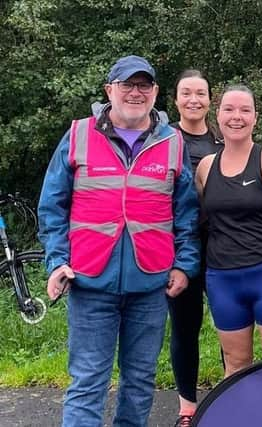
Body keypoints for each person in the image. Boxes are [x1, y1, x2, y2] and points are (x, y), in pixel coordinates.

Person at [38, 55, 200, 427]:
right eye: (127, 84)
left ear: (156, 92)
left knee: (140, 381)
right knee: (88, 382)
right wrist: (56, 260)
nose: (135, 92)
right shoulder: (79, 134)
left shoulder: (173, 142)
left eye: (144, 85)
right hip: (89, 279)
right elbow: (52, 206)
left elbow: (187, 214)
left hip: (151, 283)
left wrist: (184, 265)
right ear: (110, 90)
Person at [195, 85, 262, 377]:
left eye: (245, 110)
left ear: (255, 117)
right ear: (218, 115)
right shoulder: (206, 167)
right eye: (229, 109)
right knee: (236, 364)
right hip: (222, 278)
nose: (236, 117)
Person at [168, 69, 223, 427]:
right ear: (175, 100)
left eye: (200, 93)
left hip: (222, 248)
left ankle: (230, 395)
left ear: (209, 99)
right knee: (185, 327)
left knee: (229, 328)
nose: (194, 100)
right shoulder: (162, 140)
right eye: (186, 93)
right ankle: (188, 407)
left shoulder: (222, 142)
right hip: (178, 250)